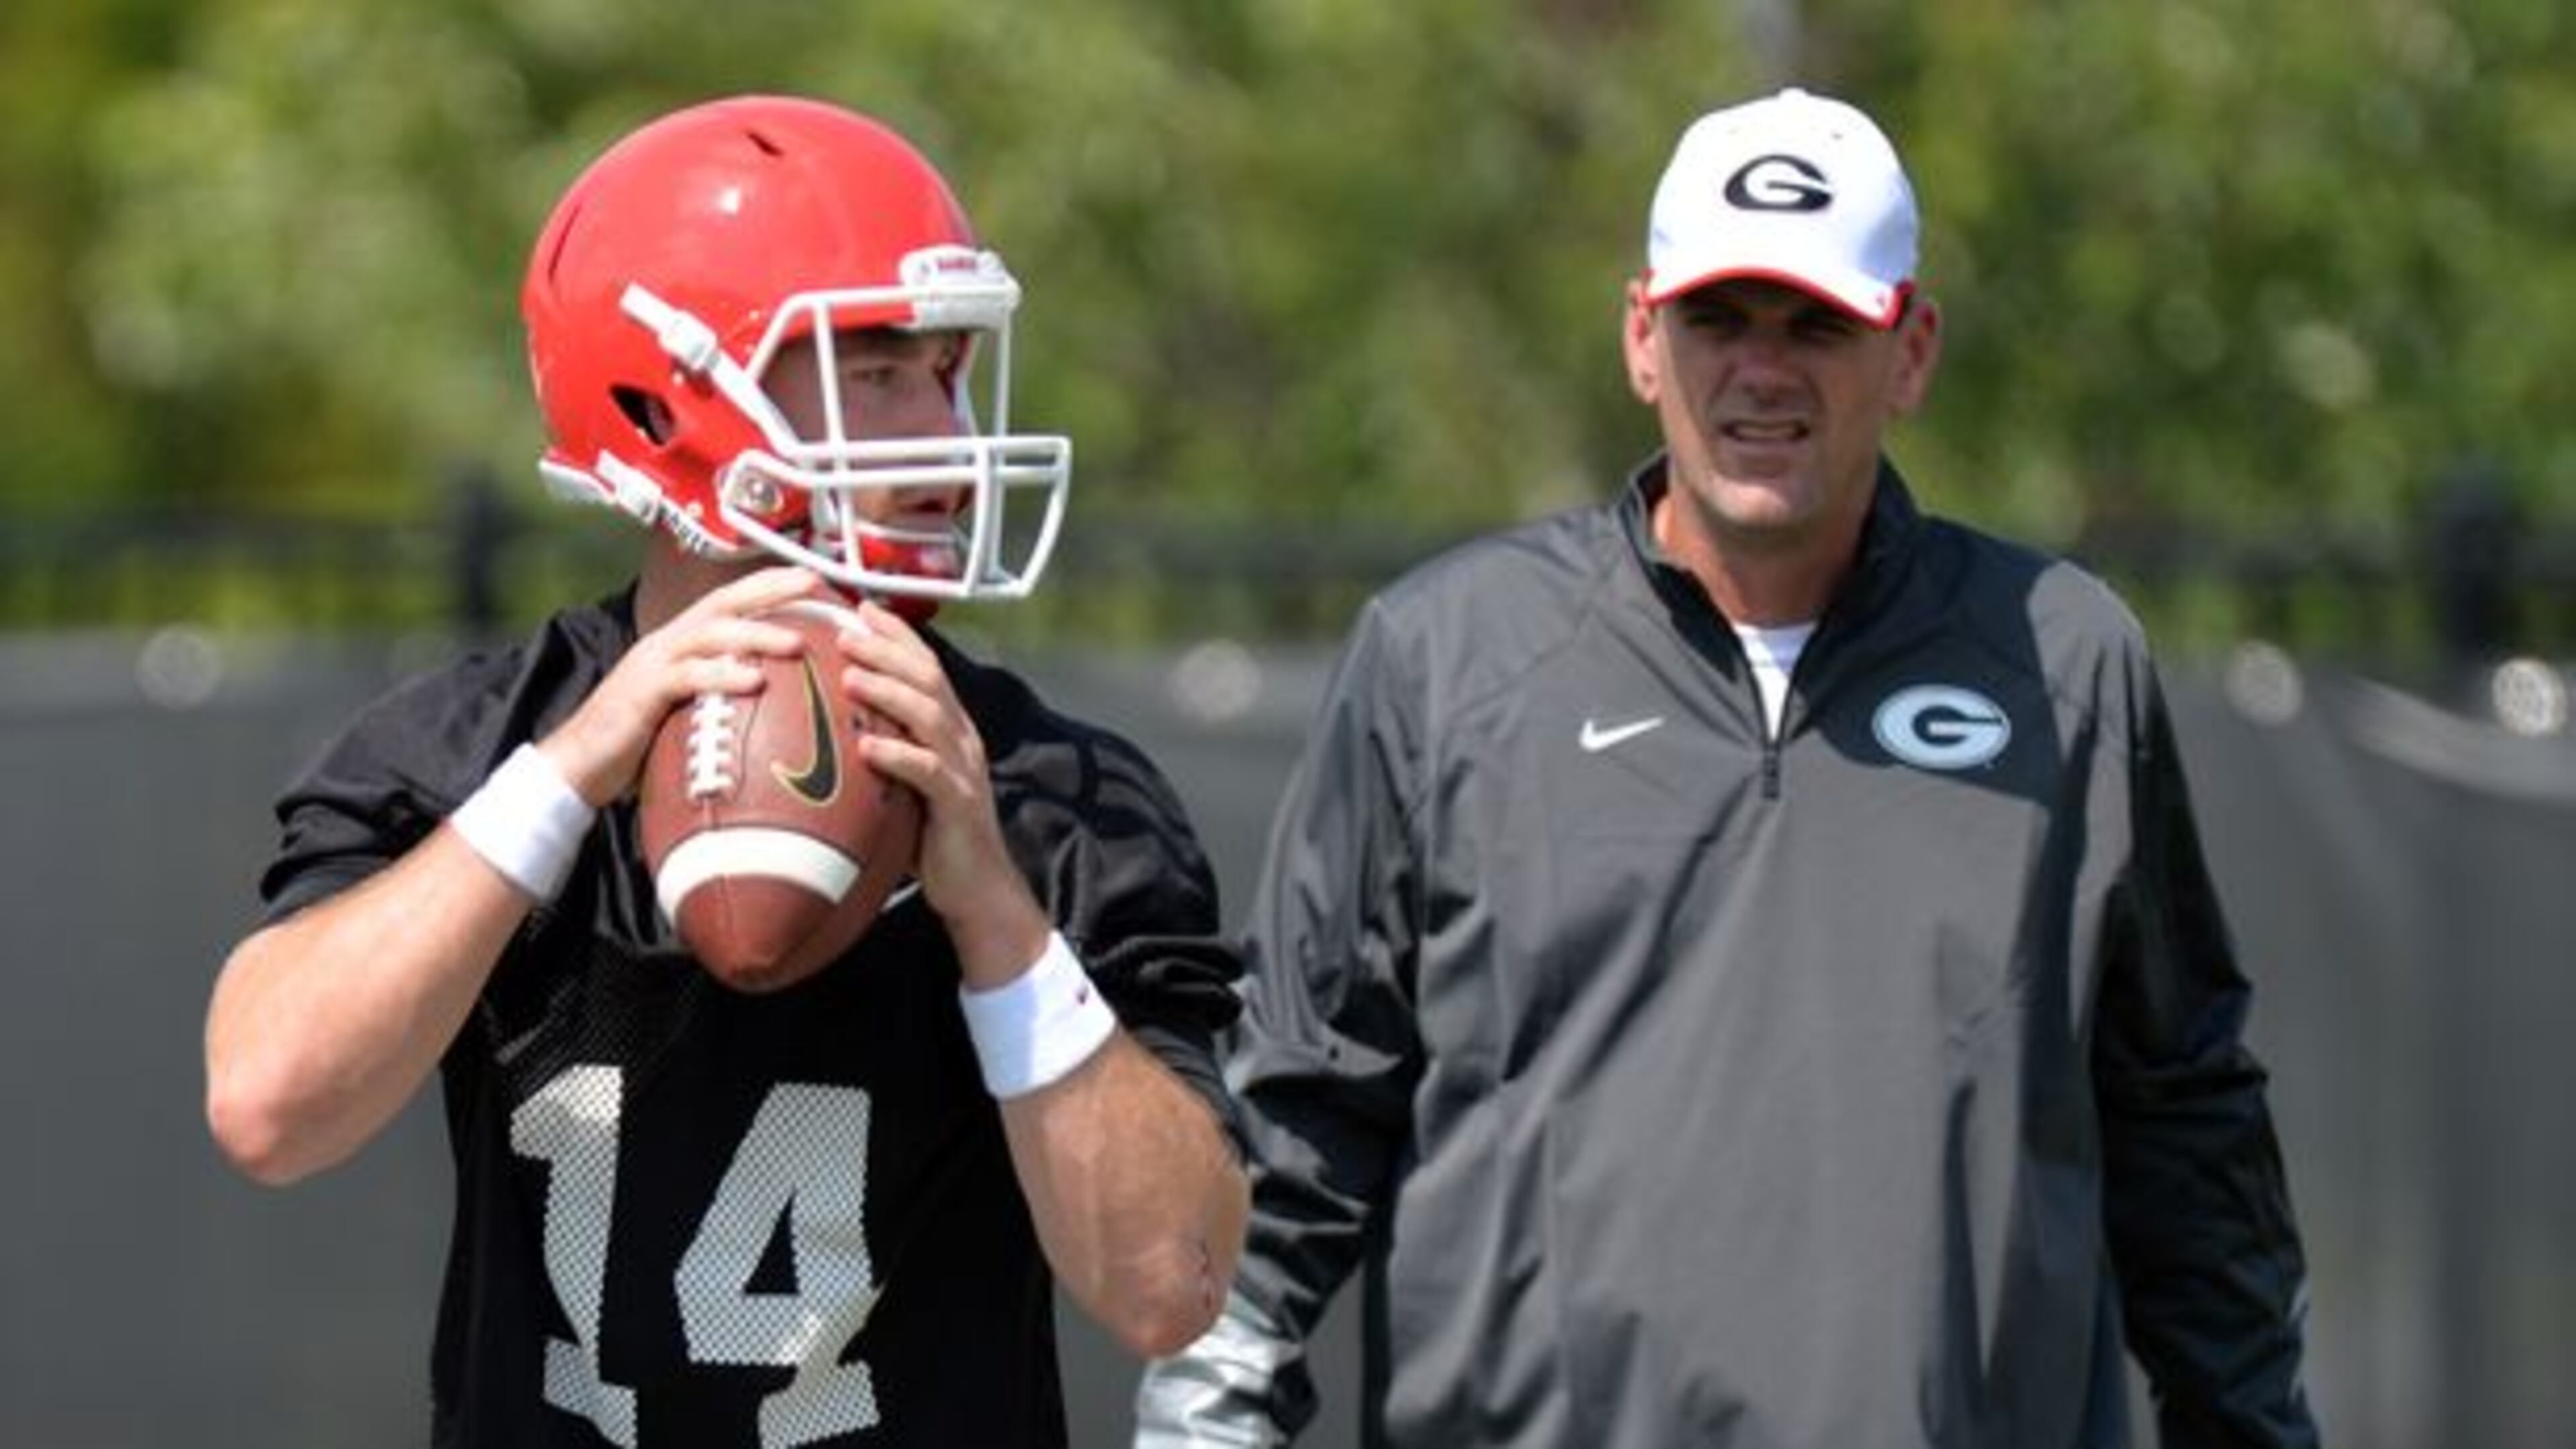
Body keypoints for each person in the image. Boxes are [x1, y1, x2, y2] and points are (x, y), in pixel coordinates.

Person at [1136, 87, 2318, 1448]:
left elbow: (2188, 1137)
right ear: (1644, 337)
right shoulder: (1443, 661)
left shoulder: (2065, 666)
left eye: (1816, 322)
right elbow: (1293, 1120)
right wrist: (1205, 1415)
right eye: (1718, 319)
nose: (1763, 369)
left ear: (1912, 349)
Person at [205, 95, 1248, 1448]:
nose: (945, 427)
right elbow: (268, 1107)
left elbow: (1173, 1286)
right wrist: (571, 774)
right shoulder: (478, 749)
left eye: (946, 370)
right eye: (880, 372)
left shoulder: (1053, 797)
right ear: (674, 400)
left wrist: (995, 909)